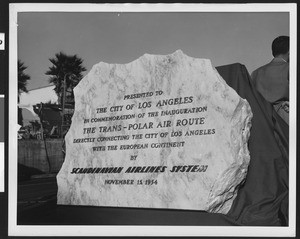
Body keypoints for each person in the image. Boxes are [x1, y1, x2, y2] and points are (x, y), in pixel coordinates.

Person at [251, 36, 289, 124]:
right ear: (290, 52)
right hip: (284, 117)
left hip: (262, 121)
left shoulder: (256, 73)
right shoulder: (290, 68)